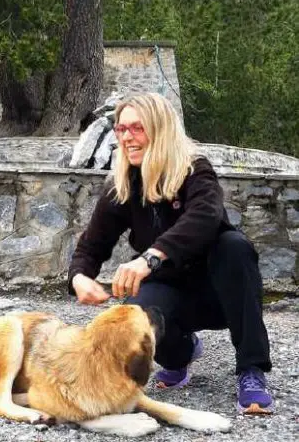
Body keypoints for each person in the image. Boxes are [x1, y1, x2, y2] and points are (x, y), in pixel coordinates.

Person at [66, 92, 273, 414]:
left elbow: (204, 218)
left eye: (137, 128)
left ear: (160, 129)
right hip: (170, 289)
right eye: (121, 129)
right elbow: (93, 243)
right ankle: (182, 353)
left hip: (220, 289)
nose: (127, 137)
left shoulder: (195, 170)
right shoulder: (122, 184)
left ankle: (251, 369)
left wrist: (151, 257)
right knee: (136, 317)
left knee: (234, 247)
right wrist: (80, 276)